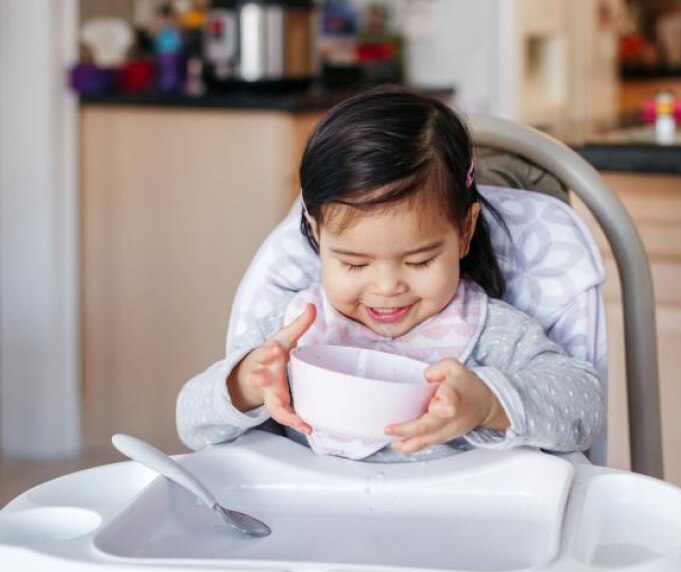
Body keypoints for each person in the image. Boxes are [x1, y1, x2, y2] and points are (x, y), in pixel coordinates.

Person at [177, 86, 604, 462]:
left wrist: (490, 403)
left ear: (464, 231)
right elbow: (190, 423)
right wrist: (244, 385)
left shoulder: (493, 335)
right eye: (354, 264)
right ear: (316, 234)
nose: (386, 288)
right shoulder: (292, 334)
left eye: (419, 262)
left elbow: (585, 408)